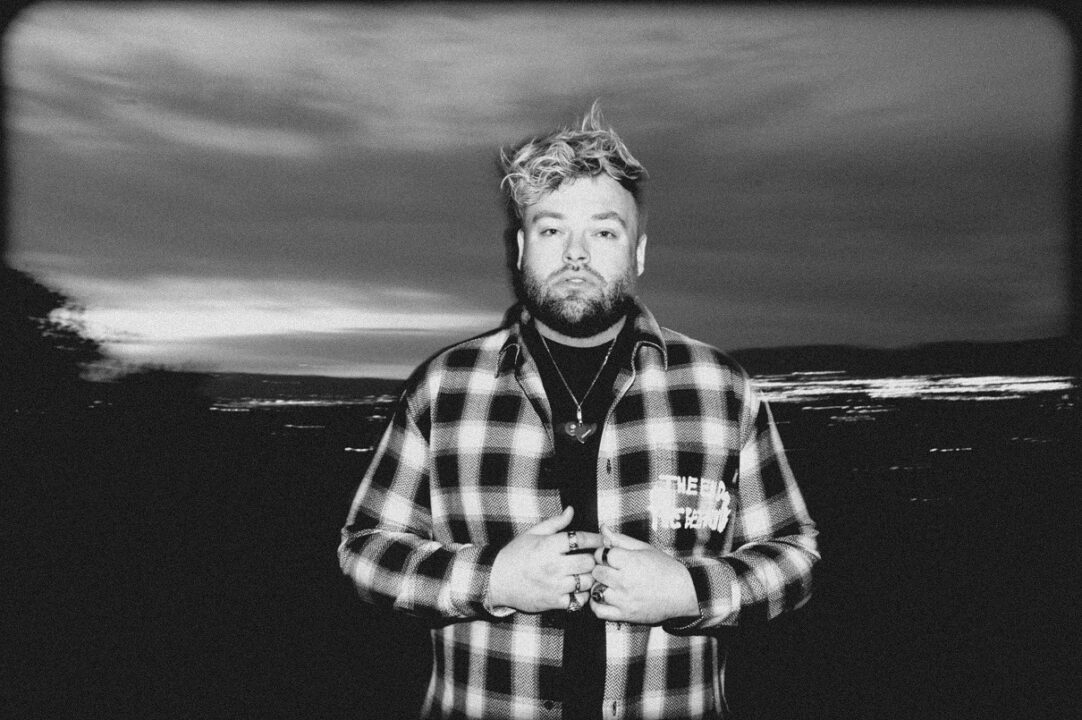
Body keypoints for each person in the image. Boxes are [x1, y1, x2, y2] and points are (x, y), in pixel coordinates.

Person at [338, 102, 819, 720]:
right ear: (520, 248)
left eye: (603, 232)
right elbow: (365, 550)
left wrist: (690, 590)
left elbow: (795, 555)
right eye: (551, 230)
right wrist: (490, 580)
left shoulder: (721, 389)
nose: (575, 254)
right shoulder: (443, 388)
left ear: (638, 253)